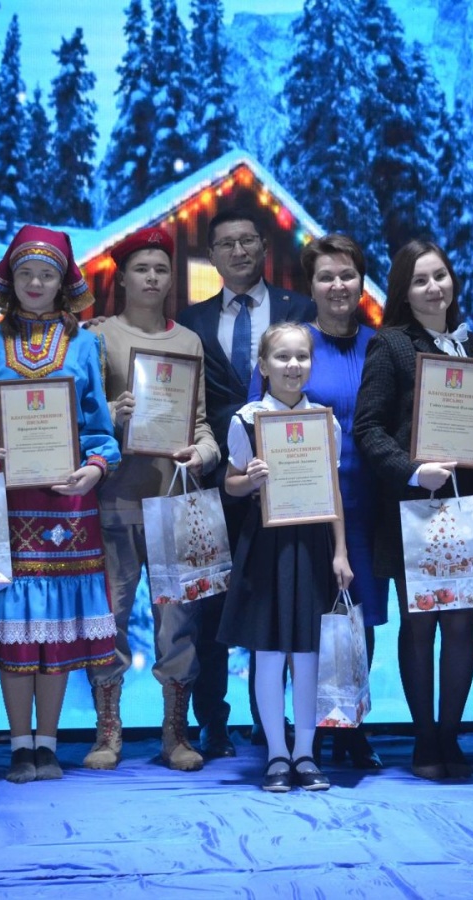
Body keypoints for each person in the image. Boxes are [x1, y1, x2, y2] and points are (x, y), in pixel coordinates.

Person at [0, 224, 120, 784]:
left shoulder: (87, 344)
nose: (35, 282)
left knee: (56, 626)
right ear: (10, 278)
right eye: (25, 272)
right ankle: (18, 745)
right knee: (16, 627)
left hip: (68, 504)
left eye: (47, 273)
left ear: (63, 281)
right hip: (6, 505)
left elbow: (100, 431)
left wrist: (94, 469)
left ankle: (47, 744)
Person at [353, 240, 473, 780]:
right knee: (420, 625)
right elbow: (368, 428)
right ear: (404, 291)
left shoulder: (472, 343)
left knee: (463, 625)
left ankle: (450, 737)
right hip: (414, 505)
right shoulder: (390, 344)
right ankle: (423, 740)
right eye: (420, 280)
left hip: (468, 502)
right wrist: (414, 471)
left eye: (440, 275)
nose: (434, 287)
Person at [174, 210, 315, 758]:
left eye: (248, 241)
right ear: (211, 255)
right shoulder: (190, 320)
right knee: (210, 604)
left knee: (274, 602)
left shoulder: (298, 310)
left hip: (289, 483)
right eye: (226, 244)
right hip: (214, 479)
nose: (238, 251)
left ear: (263, 247)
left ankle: (269, 722)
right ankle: (212, 720)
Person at [84, 226, 220, 772]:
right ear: (122, 277)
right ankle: (107, 732)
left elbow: (201, 423)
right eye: (142, 268)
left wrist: (204, 454)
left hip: (173, 505)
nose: (153, 277)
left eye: (161, 269)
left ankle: (175, 735)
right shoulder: (97, 337)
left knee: (177, 624)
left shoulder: (187, 342)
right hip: (113, 501)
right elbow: (78, 421)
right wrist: (108, 415)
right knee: (109, 618)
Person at [249, 233, 384, 768]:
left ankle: (349, 726)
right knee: (297, 618)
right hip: (298, 505)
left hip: (363, 501)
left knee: (356, 617)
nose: (337, 285)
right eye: (326, 276)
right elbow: (258, 419)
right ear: (311, 285)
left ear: (361, 282)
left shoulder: (379, 344)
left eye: (347, 275)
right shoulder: (291, 344)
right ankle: (294, 737)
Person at [216, 322, 354, 791]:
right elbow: (231, 483)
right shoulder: (246, 419)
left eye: (302, 357)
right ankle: (277, 754)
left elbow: (334, 491)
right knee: (270, 653)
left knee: (309, 654)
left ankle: (306, 754)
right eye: (282, 357)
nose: (293, 365)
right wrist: (249, 480)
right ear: (263, 365)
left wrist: (340, 551)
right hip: (265, 545)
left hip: (313, 544)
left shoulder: (324, 421)